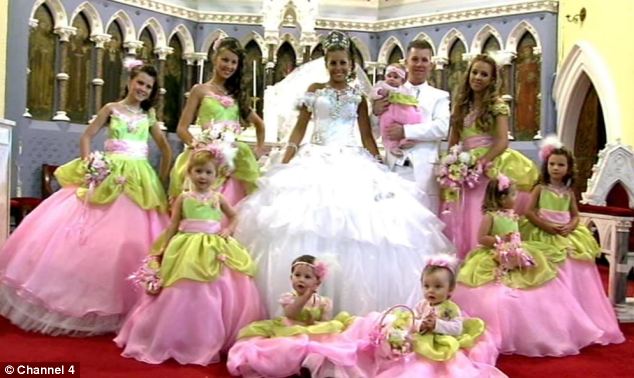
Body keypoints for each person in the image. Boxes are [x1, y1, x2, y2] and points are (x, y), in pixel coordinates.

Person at [235, 31, 453, 316]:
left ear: (351, 65)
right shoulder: (314, 90)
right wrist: (286, 160)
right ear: (326, 64)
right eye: (333, 63)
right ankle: (300, 301)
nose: (338, 68)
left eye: (343, 63)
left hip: (352, 158)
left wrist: (380, 165)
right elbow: (299, 129)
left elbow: (366, 135)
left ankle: (347, 305)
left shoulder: (358, 96)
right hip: (315, 156)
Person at [0, 63, 171, 335]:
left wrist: (162, 179)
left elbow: (164, 147)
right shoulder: (111, 109)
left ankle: (131, 304)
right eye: (140, 83)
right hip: (109, 172)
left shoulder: (148, 115)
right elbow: (87, 136)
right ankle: (80, 297)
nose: (143, 89)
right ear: (130, 81)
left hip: (140, 178)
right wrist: (90, 163)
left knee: (130, 241)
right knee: (90, 238)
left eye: (148, 86)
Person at [115, 148, 264, 365]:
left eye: (208, 172)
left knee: (219, 288)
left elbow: (234, 216)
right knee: (179, 288)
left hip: (214, 245)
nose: (203, 176)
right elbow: (173, 225)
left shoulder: (218, 198)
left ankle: (210, 336)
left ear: (217, 176)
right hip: (186, 245)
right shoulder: (183, 198)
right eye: (198, 171)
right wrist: (163, 249)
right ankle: (175, 336)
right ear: (189, 172)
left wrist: (228, 230)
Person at [452, 176, 608, 356]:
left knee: (540, 279)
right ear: (502, 198)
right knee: (498, 289)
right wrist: (500, 241)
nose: (516, 198)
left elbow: (517, 234)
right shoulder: (490, 216)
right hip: (495, 254)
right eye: (513, 195)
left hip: (517, 252)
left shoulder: (513, 216)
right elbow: (481, 238)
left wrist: (516, 243)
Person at [305, 255, 503, 378]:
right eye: (426, 286)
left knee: (425, 366)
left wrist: (438, 325)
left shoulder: (450, 308)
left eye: (437, 287)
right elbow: (414, 318)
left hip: (437, 343)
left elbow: (457, 328)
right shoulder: (422, 304)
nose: (430, 291)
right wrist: (414, 324)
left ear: (450, 290)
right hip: (419, 338)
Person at [520, 138, 624, 344]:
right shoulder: (540, 188)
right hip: (543, 232)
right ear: (546, 165)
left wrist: (571, 226)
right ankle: (552, 318)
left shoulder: (568, 192)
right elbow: (529, 212)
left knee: (575, 269)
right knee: (552, 270)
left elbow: (575, 215)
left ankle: (577, 315)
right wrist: (546, 226)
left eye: (560, 165)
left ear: (568, 169)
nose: (556, 168)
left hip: (566, 235)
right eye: (552, 164)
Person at [442, 54, 539, 258]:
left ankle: (484, 260)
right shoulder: (461, 106)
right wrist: (451, 164)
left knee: (480, 212)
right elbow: (453, 141)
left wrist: (482, 161)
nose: (478, 77)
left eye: (484, 74)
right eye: (475, 72)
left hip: (487, 168)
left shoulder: (497, 105)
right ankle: (465, 260)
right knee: (464, 213)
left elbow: (503, 141)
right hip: (464, 168)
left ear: (492, 80)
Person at [169, 37, 265, 206]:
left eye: (234, 62)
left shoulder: (236, 95)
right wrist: (198, 145)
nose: (229, 66)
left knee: (233, 202)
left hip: (234, 156)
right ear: (215, 58)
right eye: (225, 60)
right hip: (207, 154)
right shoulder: (200, 90)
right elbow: (182, 129)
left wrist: (258, 150)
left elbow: (260, 124)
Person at [227, 255, 355, 377]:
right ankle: (290, 366)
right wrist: (304, 297)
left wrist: (316, 323)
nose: (301, 279)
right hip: (290, 330)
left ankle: (312, 367)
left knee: (327, 339)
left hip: (311, 331)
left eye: (307, 277)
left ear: (317, 283)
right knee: (287, 346)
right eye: (297, 275)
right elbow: (291, 313)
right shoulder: (289, 298)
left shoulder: (323, 302)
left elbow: (325, 323)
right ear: (291, 278)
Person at [373, 39, 450, 211]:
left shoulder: (439, 96)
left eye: (424, 60)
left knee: (425, 227)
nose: (419, 64)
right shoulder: (388, 90)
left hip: (424, 171)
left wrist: (405, 131)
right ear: (406, 62)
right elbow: (376, 129)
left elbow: (441, 128)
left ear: (431, 64)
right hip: (394, 166)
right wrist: (375, 112)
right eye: (415, 59)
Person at [371, 62, 420, 157]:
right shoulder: (382, 85)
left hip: (401, 112)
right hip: (387, 112)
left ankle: (406, 140)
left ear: (402, 80)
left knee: (412, 118)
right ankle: (392, 147)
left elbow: (410, 99)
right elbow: (373, 93)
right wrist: (380, 92)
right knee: (386, 129)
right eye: (389, 76)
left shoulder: (404, 89)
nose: (391, 79)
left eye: (395, 77)